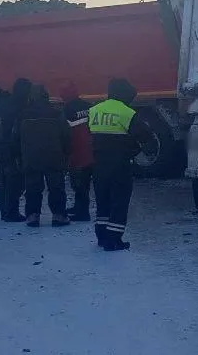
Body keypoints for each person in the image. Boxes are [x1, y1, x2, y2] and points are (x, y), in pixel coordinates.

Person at [88, 78, 152, 251]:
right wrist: (135, 150)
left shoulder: (94, 110)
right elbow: (146, 137)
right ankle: (114, 240)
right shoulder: (127, 113)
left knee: (102, 201)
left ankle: (101, 236)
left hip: (99, 165)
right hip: (120, 165)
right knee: (119, 201)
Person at [17, 85, 72, 227]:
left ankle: (32, 215)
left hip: (31, 157)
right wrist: (65, 153)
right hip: (53, 156)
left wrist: (19, 156)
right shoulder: (56, 114)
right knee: (56, 187)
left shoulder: (24, 115)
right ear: (46, 97)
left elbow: (15, 138)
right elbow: (66, 136)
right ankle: (59, 215)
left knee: (32, 188)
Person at [0, 78, 32, 222]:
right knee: (15, 181)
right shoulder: (22, 106)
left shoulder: (6, 103)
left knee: (4, 181)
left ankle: (5, 211)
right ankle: (12, 211)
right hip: (14, 147)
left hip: (2, 145)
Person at [61, 83, 94, 222]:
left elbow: (65, 133)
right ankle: (79, 207)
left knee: (78, 183)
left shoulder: (67, 109)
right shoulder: (89, 105)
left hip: (77, 151)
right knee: (85, 181)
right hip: (91, 149)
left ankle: (82, 213)